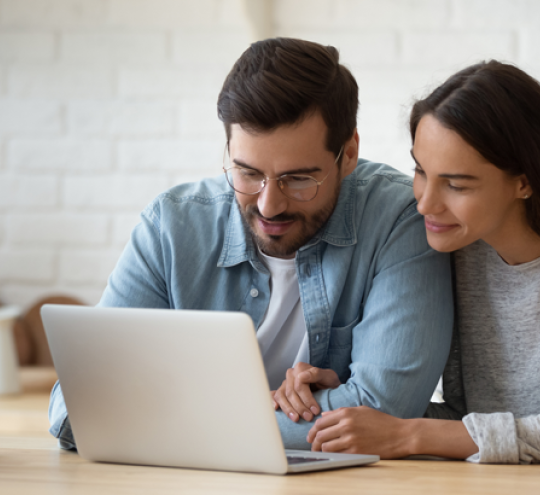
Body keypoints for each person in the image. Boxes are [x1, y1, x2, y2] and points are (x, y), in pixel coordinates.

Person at [48, 38, 453, 451]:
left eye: (298, 179)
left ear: (348, 154)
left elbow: (385, 410)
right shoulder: (171, 226)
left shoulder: (399, 219)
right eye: (247, 173)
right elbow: (76, 406)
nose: (269, 205)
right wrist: (261, 412)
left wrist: (169, 418)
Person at [305, 60, 540, 464]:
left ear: (524, 181)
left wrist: (410, 434)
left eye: (456, 184)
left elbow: (453, 434)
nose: (424, 203)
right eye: (420, 170)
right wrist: (345, 395)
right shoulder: (456, 252)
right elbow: (474, 425)